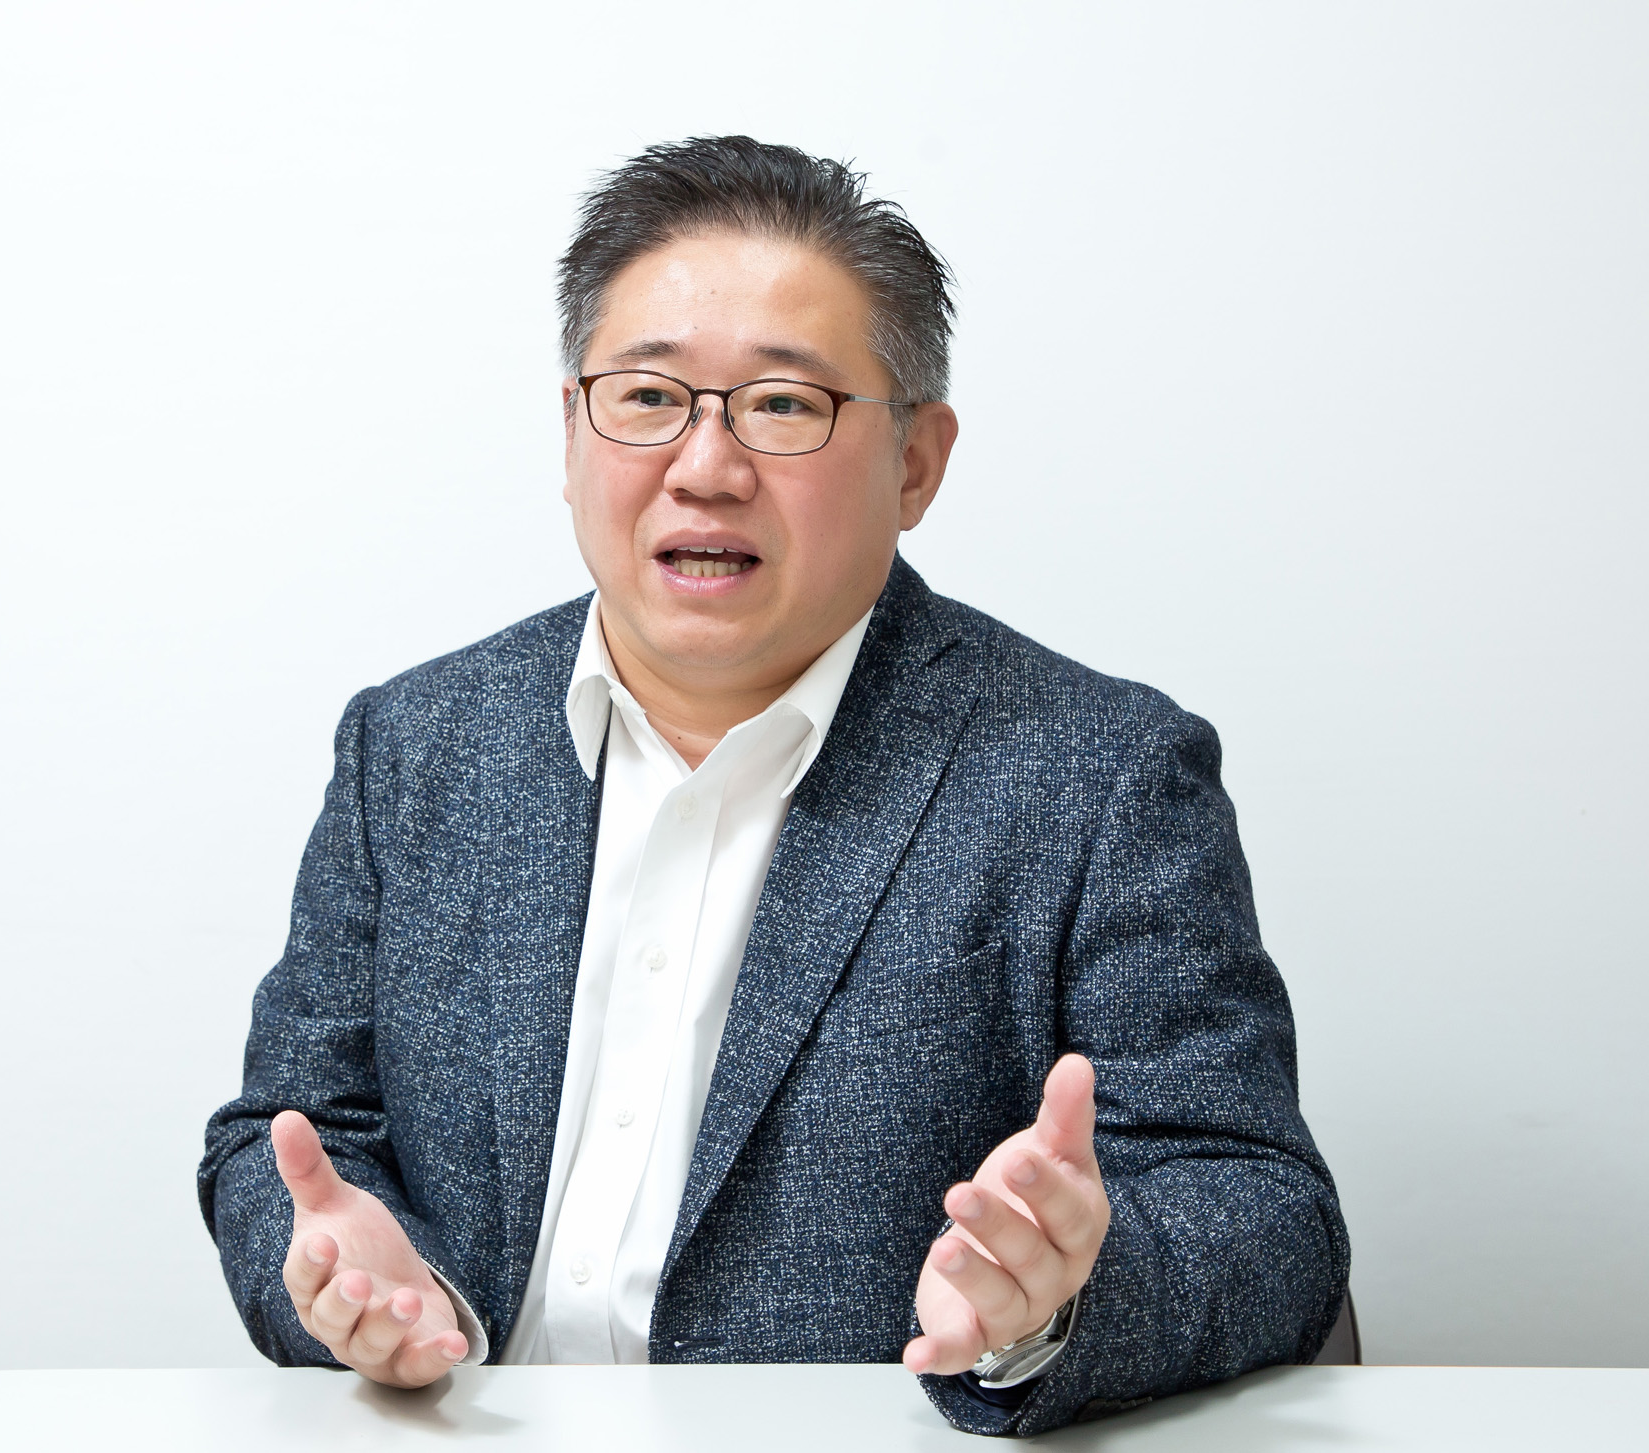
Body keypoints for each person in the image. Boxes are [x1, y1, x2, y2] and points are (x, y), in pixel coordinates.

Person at [198, 135, 1348, 1437]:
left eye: (785, 406)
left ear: (916, 463)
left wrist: (1059, 1295)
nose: (705, 466)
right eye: (647, 396)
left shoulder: (1101, 773)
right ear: (570, 432)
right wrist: (353, 1279)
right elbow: (287, 1136)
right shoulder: (415, 745)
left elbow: (1263, 1209)